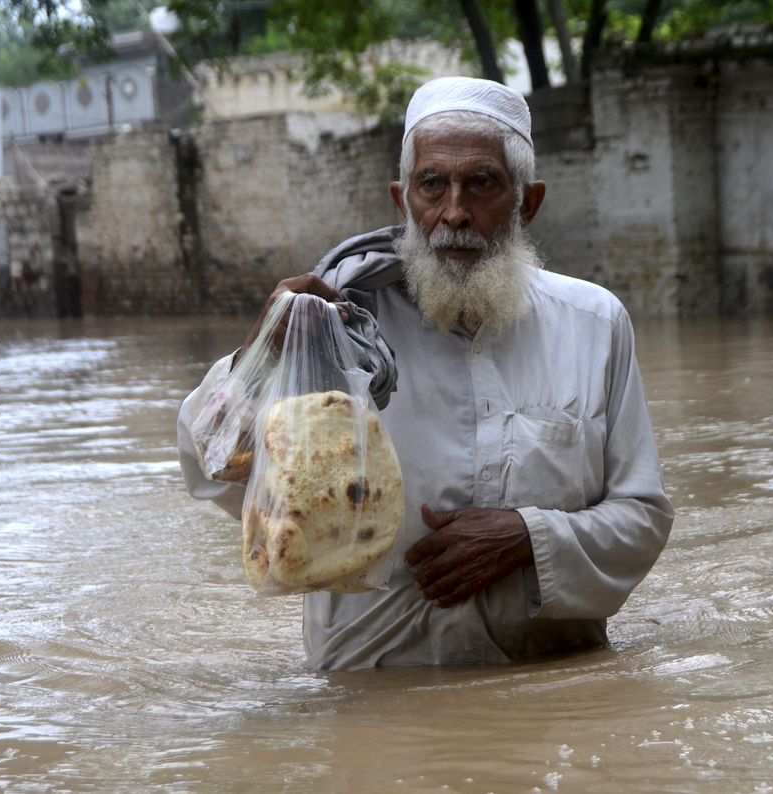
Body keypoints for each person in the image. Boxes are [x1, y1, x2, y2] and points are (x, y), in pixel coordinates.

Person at [178, 76, 674, 670]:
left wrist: (528, 537)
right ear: (402, 199)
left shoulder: (594, 323)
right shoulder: (338, 332)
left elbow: (642, 516)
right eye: (432, 185)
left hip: (551, 684)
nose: (454, 212)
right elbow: (210, 469)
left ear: (528, 202)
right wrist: (259, 356)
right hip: (374, 696)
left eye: (482, 184)